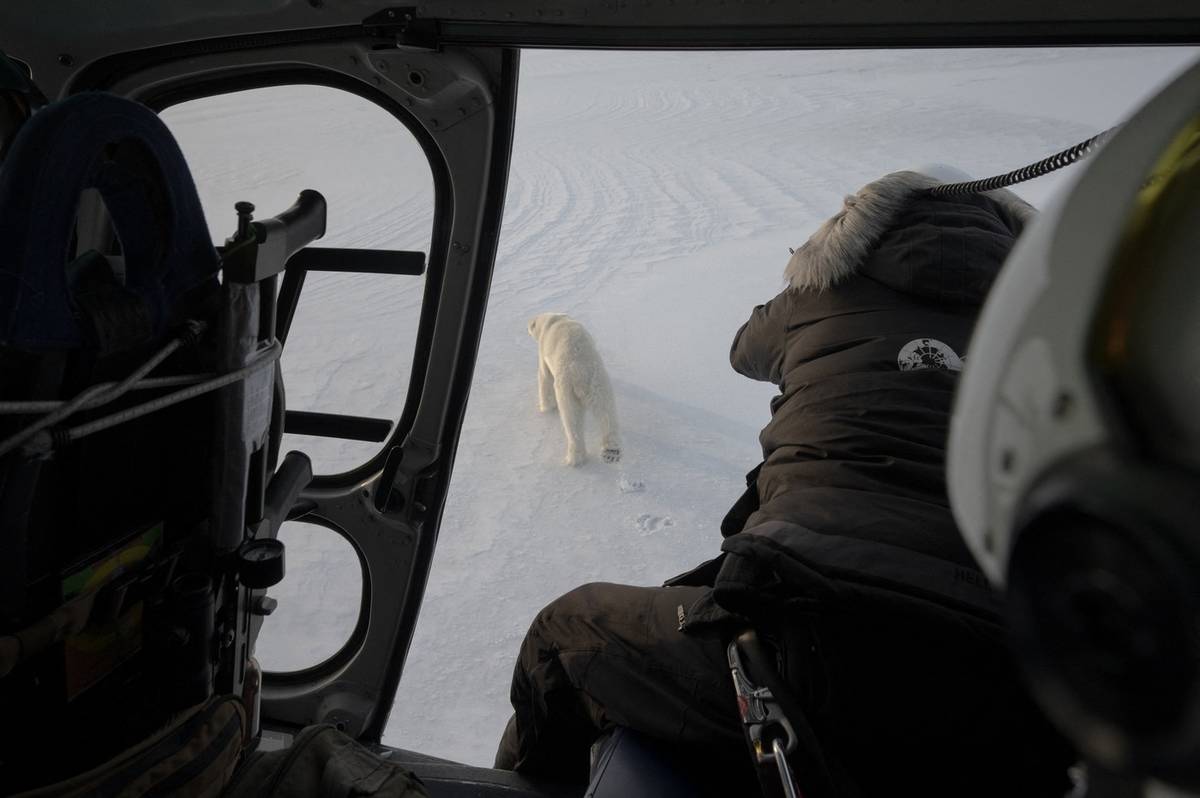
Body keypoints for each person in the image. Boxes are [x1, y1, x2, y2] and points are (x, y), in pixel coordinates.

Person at [494, 167, 1075, 797]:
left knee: (564, 634)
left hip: (806, 639)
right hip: (1010, 671)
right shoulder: (1058, 334)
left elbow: (746, 349)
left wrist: (816, 272)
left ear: (861, 231)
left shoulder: (823, 290)